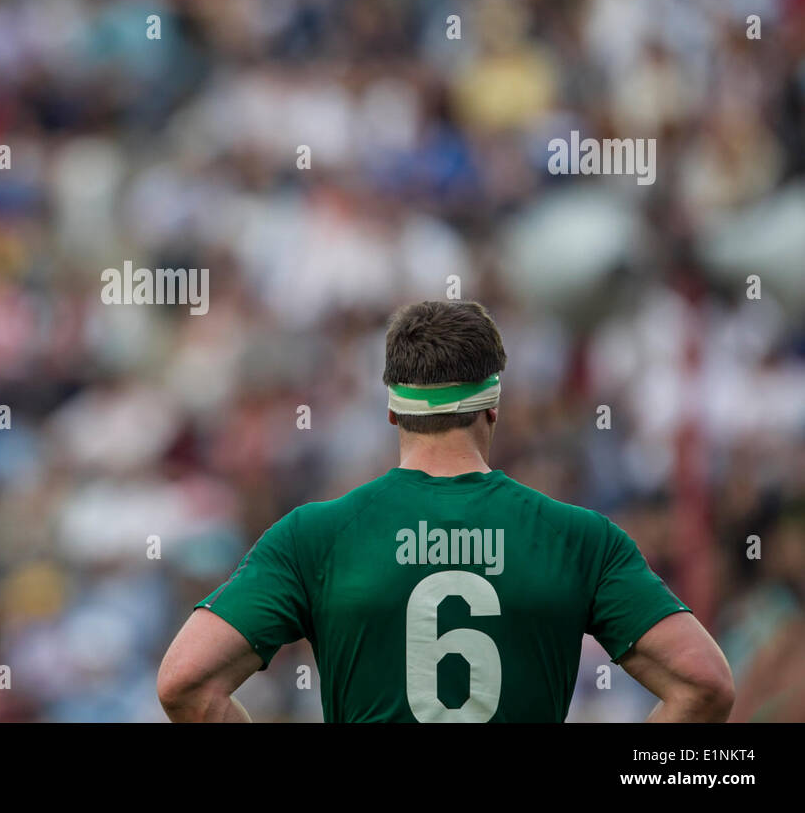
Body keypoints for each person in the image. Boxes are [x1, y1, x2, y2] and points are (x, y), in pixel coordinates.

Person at [158, 300, 734, 722]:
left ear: (393, 413)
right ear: (493, 408)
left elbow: (185, 682)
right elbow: (704, 684)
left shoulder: (314, 537)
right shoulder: (580, 538)